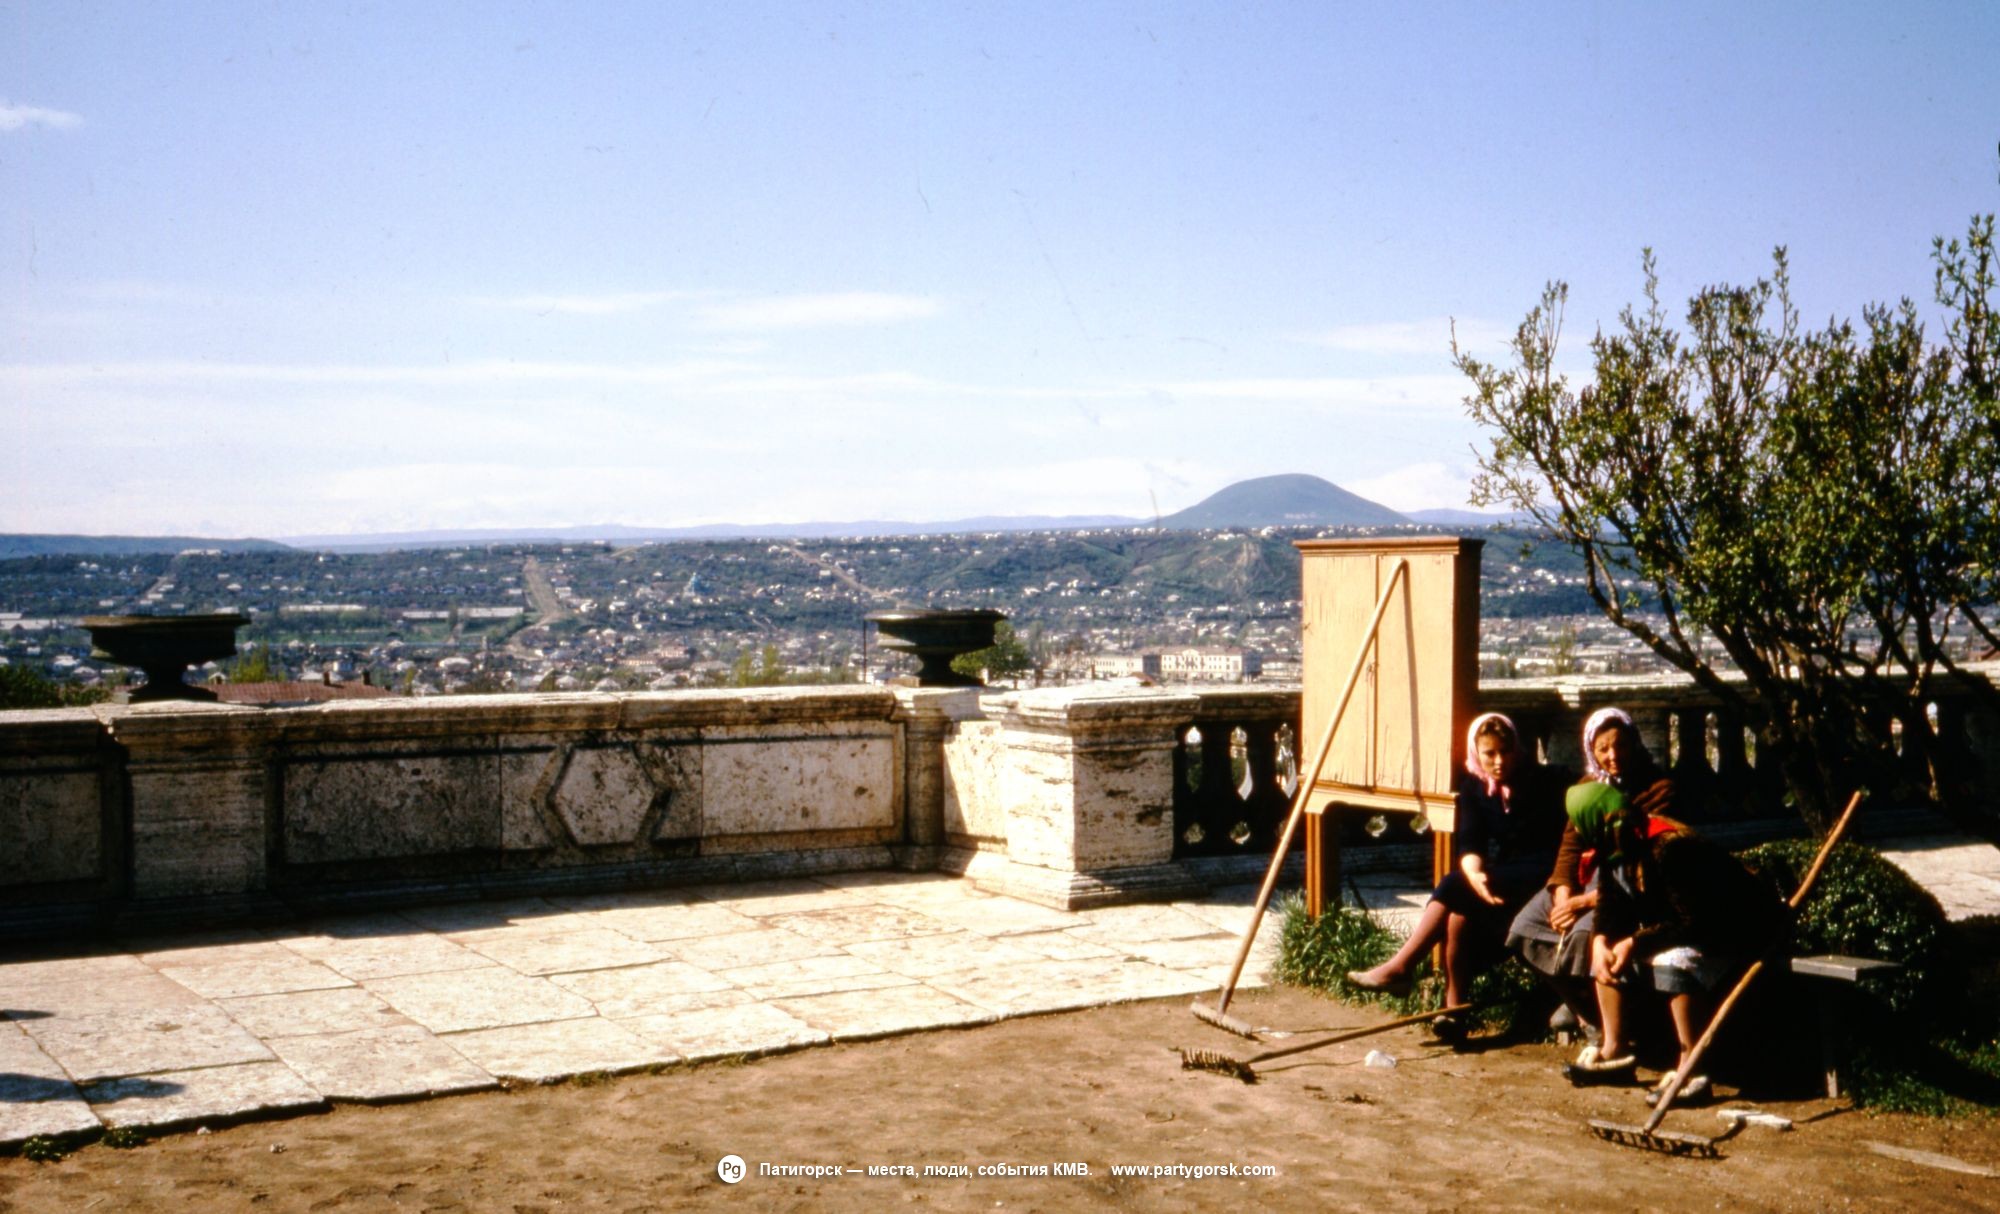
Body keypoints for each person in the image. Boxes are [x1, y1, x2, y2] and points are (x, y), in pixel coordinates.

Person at [1563, 776, 1788, 1102]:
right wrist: (1600, 942)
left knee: (1673, 961)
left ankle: (1691, 1068)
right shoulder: (1615, 846)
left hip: (1733, 930)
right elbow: (1610, 907)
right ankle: (1614, 1050)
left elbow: (1694, 921)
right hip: (1688, 927)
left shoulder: (1668, 848)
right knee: (1606, 953)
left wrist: (1635, 942)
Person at [1345, 712, 1568, 1039]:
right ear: (1477, 753)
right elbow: (1470, 841)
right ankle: (1454, 1011)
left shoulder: (1542, 780)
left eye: (1504, 751)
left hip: (1544, 870)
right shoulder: (1476, 789)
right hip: (1507, 874)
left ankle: (1402, 967)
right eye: (1489, 753)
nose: (1498, 761)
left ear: (1516, 749)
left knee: (1452, 884)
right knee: (1458, 914)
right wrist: (1475, 876)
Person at [1507, 707, 1676, 1039]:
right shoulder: (1587, 786)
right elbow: (1570, 845)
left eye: (1621, 746)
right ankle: (1582, 1007)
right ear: (1592, 751)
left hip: (1625, 886)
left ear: (1634, 744)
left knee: (1585, 937)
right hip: (1582, 882)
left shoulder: (1659, 790)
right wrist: (1562, 896)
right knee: (1524, 928)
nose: (1613, 756)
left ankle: (1606, 1025)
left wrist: (1584, 903)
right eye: (1603, 749)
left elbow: (1643, 865)